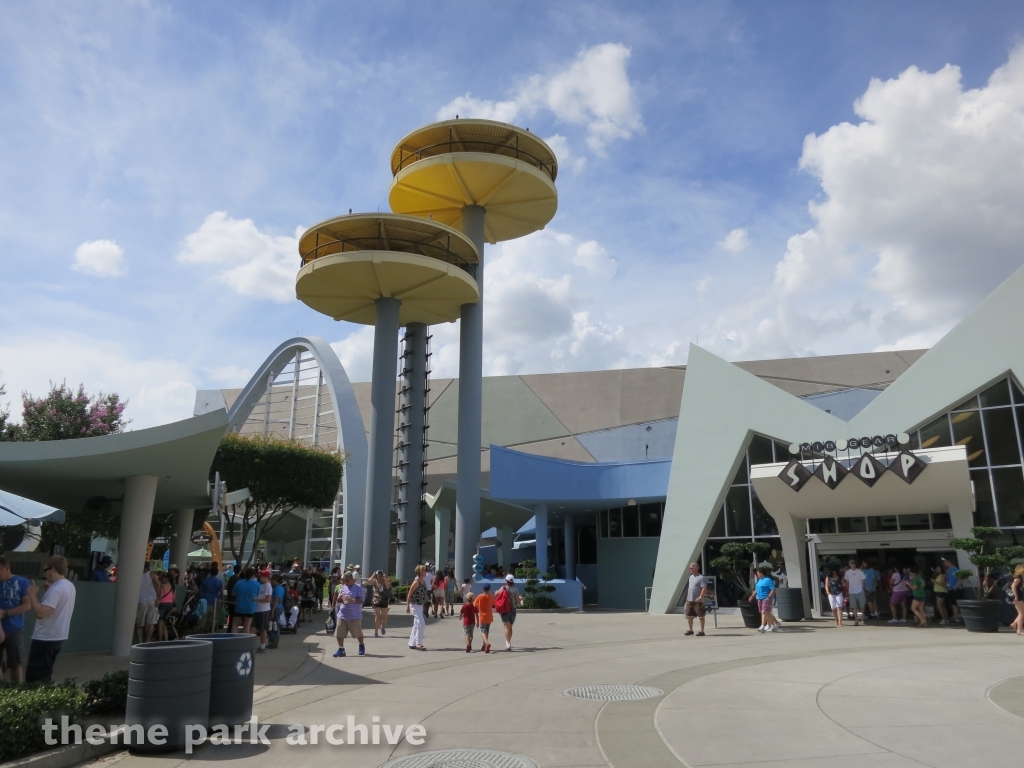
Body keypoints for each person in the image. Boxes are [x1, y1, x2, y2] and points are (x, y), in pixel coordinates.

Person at [25, 556, 76, 683]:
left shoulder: (56, 589)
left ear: (53, 569)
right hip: (57, 635)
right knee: (46, 671)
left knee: (36, 676)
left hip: (45, 637)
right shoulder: (69, 586)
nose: (44, 573)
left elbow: (41, 613)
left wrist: (31, 594)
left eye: (45, 570)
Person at [0, 556, 31, 683]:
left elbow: (27, 605)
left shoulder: (22, 582)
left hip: (14, 628)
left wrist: (6, 613)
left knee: (15, 663)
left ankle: (16, 691)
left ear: (7, 568)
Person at [333, 571, 366, 657]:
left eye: (348, 581)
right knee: (339, 633)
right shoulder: (343, 587)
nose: (346, 583)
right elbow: (339, 600)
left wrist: (352, 600)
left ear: (353, 580)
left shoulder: (358, 587)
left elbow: (362, 600)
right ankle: (341, 649)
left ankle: (361, 645)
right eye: (345, 581)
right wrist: (339, 598)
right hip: (342, 615)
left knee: (357, 633)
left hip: (354, 615)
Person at [495, 573, 522, 651]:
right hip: (513, 609)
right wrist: (521, 599)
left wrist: (496, 592)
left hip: (504, 609)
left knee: (506, 627)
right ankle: (509, 642)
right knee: (510, 627)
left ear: (506, 581)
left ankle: (508, 643)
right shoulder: (516, 589)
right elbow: (518, 600)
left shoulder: (503, 588)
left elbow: (497, 595)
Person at [406, 564, 430, 650]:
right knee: (421, 622)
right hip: (414, 604)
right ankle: (418, 643)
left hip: (421, 604)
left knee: (416, 624)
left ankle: (411, 643)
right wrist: (408, 606)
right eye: (424, 570)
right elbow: (409, 594)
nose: (425, 572)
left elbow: (424, 593)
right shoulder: (416, 582)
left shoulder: (423, 581)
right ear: (420, 572)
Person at [135, 562, 159, 643]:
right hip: (152, 599)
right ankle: (147, 640)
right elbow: (158, 584)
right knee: (151, 622)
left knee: (139, 625)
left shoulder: (136, 574)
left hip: (141, 600)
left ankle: (140, 642)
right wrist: (158, 598)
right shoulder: (151, 574)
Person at [683, 562, 708, 636]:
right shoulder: (691, 577)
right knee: (689, 615)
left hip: (698, 601)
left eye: (692, 568)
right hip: (690, 600)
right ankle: (690, 630)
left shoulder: (701, 577)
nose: (690, 569)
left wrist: (701, 597)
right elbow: (689, 588)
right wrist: (687, 597)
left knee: (701, 615)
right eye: (690, 568)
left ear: (696, 568)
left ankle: (702, 631)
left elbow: (704, 588)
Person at [232, 568, 259, 633]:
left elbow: (233, 593)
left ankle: (233, 639)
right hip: (250, 607)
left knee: (235, 625)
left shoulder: (239, 583)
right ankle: (245, 641)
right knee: (247, 625)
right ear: (254, 575)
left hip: (239, 606)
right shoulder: (257, 584)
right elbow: (259, 595)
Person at [751, 566, 778, 633]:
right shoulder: (759, 580)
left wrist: (769, 597)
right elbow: (757, 589)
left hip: (766, 598)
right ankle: (773, 625)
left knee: (764, 612)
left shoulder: (768, 580)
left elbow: (773, 589)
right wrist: (752, 596)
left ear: (762, 573)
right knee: (767, 613)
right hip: (759, 598)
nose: (757, 574)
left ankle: (762, 626)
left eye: (758, 573)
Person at [199, 564, 223, 631]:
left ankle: (201, 631)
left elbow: (200, 591)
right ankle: (208, 630)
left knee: (204, 617)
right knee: (212, 617)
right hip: (215, 601)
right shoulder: (219, 582)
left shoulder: (205, 581)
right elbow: (221, 592)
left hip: (205, 600)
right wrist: (222, 601)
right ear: (217, 573)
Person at [253, 570, 272, 652]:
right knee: (253, 627)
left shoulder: (268, 586)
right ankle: (252, 645)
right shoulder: (262, 585)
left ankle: (262, 646)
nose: (259, 578)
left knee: (262, 629)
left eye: (261, 577)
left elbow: (268, 599)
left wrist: (256, 599)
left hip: (263, 610)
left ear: (266, 577)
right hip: (258, 609)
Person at [842, 559, 866, 626]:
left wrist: (863, 588)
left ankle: (862, 616)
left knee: (862, 605)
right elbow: (847, 582)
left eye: (854, 563)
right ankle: (856, 619)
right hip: (852, 591)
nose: (853, 564)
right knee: (853, 606)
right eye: (851, 563)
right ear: (849, 564)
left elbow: (863, 580)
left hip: (860, 590)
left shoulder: (860, 571)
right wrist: (847, 591)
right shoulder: (847, 572)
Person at [369, 571, 392, 637]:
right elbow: (369, 580)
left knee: (385, 616)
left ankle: (382, 626)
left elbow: (387, 587)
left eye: (381, 576)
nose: (380, 577)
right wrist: (373, 575)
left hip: (384, 600)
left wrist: (384, 578)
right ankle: (376, 633)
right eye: (379, 576)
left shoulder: (385, 582)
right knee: (377, 616)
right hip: (376, 600)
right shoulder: (375, 582)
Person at [473, 583, 494, 653]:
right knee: (487, 631)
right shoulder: (491, 596)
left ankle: (487, 643)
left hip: (482, 616)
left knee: (482, 631)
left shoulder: (480, 596)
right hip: (489, 616)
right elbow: (493, 603)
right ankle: (484, 645)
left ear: (483, 589)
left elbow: (474, 605)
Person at [944, 558, 963, 623]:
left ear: (949, 562)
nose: (945, 563)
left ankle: (956, 617)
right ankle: (954, 616)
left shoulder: (955, 570)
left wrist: (955, 587)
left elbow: (960, 579)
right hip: (949, 589)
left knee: (954, 604)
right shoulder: (948, 570)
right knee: (951, 603)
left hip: (955, 589)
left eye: (946, 561)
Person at [156, 573, 174, 641]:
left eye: (163, 578)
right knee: (164, 624)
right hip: (170, 605)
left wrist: (157, 601)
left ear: (167, 579)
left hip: (163, 604)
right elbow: (174, 598)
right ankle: (166, 640)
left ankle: (160, 640)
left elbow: (160, 596)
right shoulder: (173, 587)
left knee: (160, 624)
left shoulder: (163, 586)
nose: (162, 580)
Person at [1009, 564, 1024, 635]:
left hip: (1017, 597)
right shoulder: (1018, 578)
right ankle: (1019, 630)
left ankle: (1014, 623)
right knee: (1022, 614)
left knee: (1021, 613)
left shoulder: (1018, 577)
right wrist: (1016, 596)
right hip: (1017, 597)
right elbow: (1013, 586)